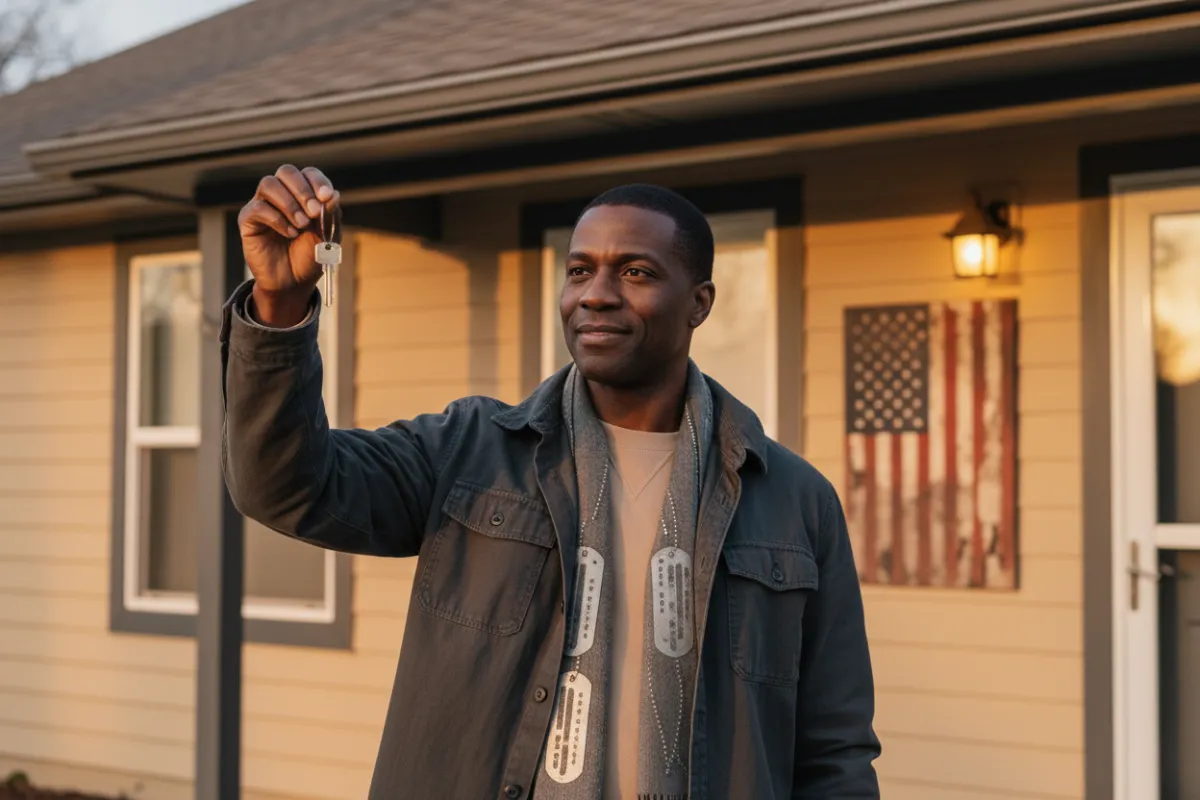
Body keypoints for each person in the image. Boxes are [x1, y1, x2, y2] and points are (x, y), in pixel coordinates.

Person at [221, 164, 881, 799]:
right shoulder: (470, 453)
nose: (596, 293)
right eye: (579, 270)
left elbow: (833, 751)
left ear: (698, 303)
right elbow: (286, 487)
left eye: (636, 272)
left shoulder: (794, 502)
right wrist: (279, 303)